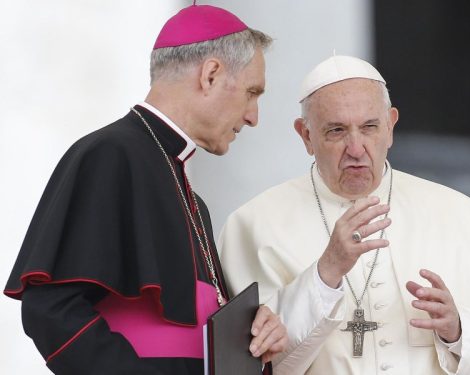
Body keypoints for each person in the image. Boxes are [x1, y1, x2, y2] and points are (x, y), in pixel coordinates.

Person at [4, 5, 287, 374]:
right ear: (211, 74)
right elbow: (52, 309)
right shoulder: (109, 155)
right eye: (252, 92)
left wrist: (253, 335)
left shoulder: (191, 199)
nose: (254, 116)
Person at [219, 55, 470, 374]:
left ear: (390, 127)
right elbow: (248, 365)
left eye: (369, 127)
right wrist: (327, 271)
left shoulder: (456, 212)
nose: (356, 148)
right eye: (336, 131)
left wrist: (458, 330)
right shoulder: (253, 225)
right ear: (306, 136)